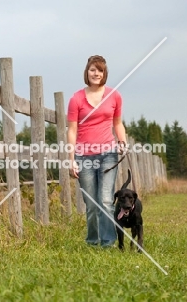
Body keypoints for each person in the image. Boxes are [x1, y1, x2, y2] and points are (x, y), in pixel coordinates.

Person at [67, 55, 127, 247]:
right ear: (87, 72)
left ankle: (108, 242)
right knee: (92, 204)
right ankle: (92, 241)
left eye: (100, 70)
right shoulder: (76, 98)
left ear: (104, 73)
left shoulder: (114, 96)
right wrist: (71, 159)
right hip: (83, 155)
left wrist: (122, 140)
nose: (96, 73)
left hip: (108, 153)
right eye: (93, 70)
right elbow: (72, 130)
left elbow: (117, 123)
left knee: (106, 200)